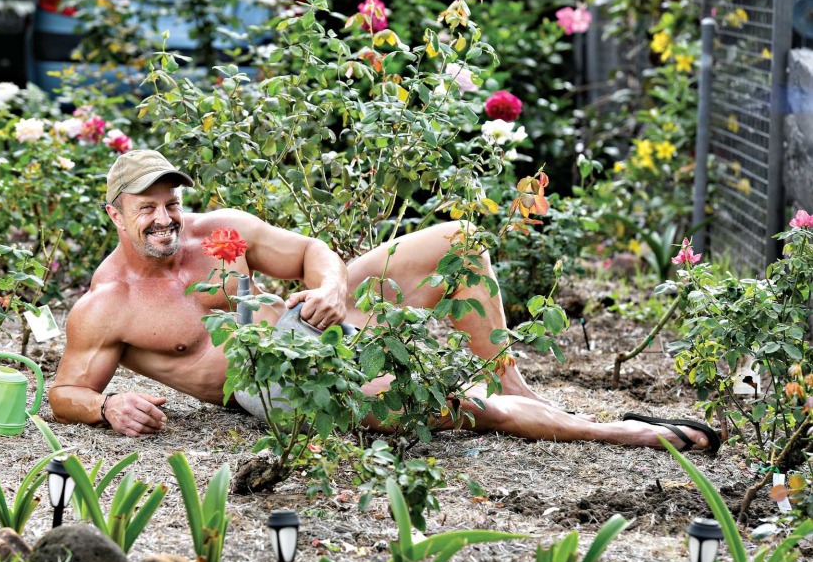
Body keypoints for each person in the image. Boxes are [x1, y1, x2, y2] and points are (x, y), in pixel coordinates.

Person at [48, 150, 723, 454]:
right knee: (444, 402)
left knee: (458, 241)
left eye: (173, 202)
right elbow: (64, 394)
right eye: (148, 209)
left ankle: (519, 387)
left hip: (304, 324)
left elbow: (310, 249)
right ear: (116, 215)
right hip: (271, 382)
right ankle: (617, 431)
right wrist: (107, 406)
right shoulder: (108, 304)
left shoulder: (215, 232)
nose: (167, 218)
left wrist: (331, 286)